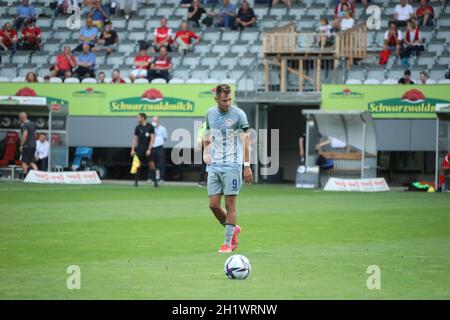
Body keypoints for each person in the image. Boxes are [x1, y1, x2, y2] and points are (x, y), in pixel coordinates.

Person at [203, 84, 253, 253]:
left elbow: (246, 141)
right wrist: (206, 151)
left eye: (230, 99)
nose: (228, 103)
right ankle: (234, 228)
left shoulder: (238, 114)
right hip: (214, 166)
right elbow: (208, 134)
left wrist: (246, 166)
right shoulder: (210, 113)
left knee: (230, 204)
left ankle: (228, 243)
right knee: (213, 205)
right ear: (216, 99)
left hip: (232, 165)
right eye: (224, 100)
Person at [130, 113, 156, 187]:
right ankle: (136, 182)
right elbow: (135, 139)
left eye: (138, 118)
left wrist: (149, 149)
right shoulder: (138, 127)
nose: (137, 119)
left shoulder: (150, 127)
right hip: (140, 148)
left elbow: (152, 139)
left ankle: (155, 182)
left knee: (151, 165)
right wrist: (132, 149)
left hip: (148, 148)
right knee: (137, 164)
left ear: (143, 118)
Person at [18, 112, 38, 177]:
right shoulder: (32, 124)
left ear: (22, 117)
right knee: (31, 162)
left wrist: (22, 144)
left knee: (24, 161)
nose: (19, 119)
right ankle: (37, 176)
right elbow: (35, 135)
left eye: (19, 117)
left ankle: (25, 177)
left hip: (27, 145)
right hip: (33, 145)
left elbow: (25, 134)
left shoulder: (24, 124)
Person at [150, 116, 168, 184]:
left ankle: (161, 178)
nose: (155, 122)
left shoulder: (163, 128)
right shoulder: (150, 128)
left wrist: (159, 142)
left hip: (159, 147)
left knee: (160, 163)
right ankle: (151, 178)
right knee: (151, 163)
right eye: (153, 121)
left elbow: (165, 138)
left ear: (158, 121)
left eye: (156, 121)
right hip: (152, 147)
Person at [195, 120, 207, 186]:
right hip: (206, 145)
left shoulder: (215, 122)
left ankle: (204, 180)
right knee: (205, 163)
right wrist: (198, 144)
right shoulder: (205, 124)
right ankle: (202, 180)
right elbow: (200, 134)